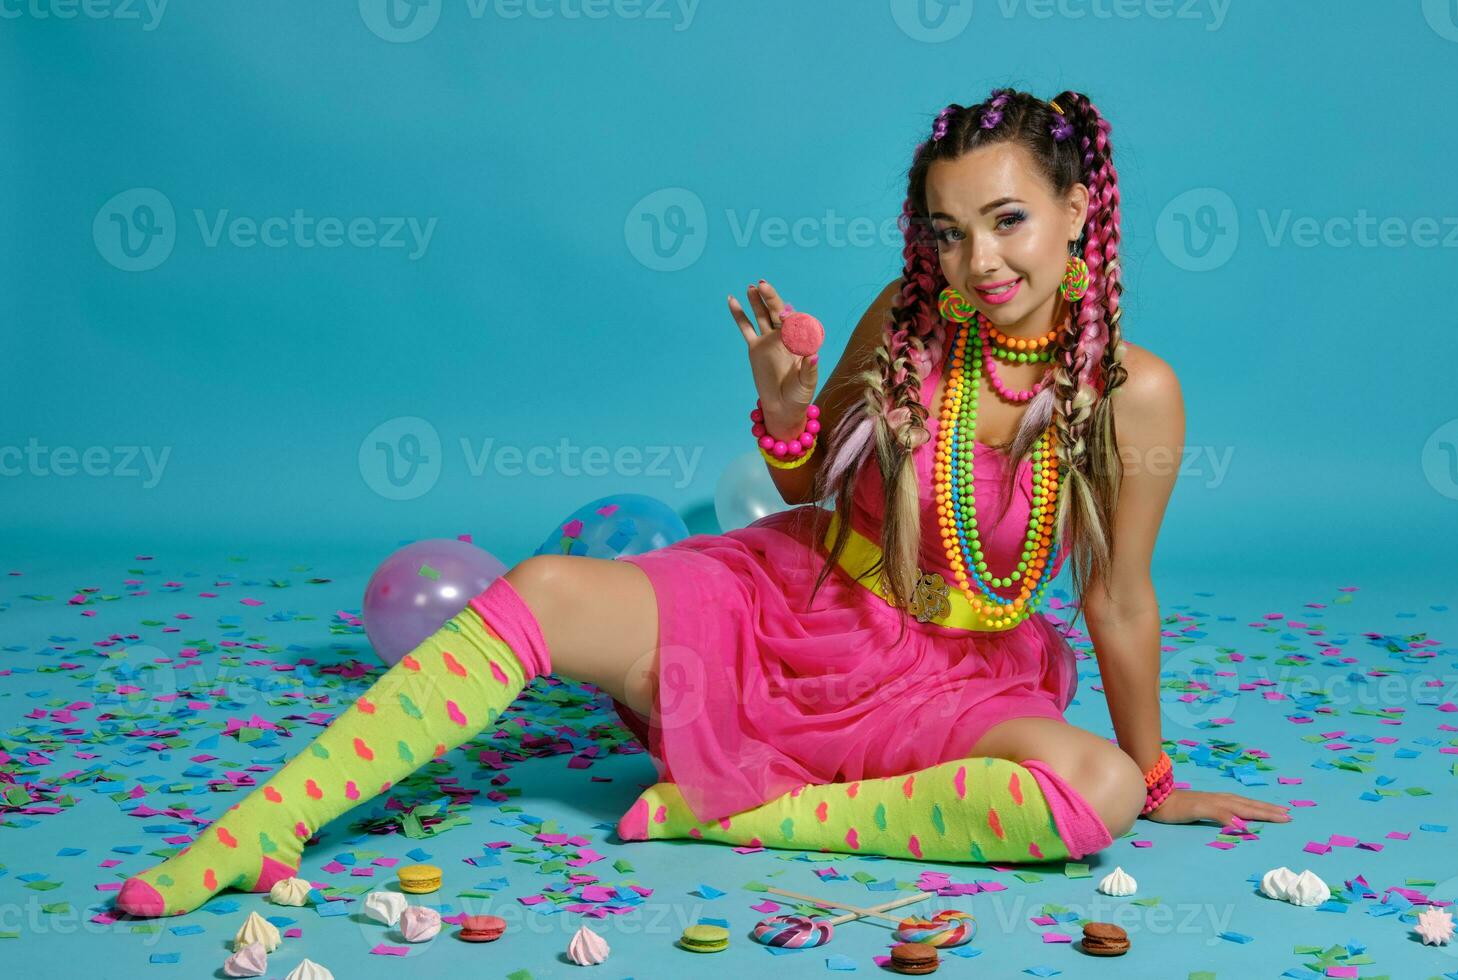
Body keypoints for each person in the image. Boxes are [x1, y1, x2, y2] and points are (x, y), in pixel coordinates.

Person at [114, 87, 1289, 918]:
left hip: (952, 684)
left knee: (1098, 791)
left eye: (1007, 219)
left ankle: (734, 813)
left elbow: (1118, 596)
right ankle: (263, 821)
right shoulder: (914, 317)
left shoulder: (1134, 394)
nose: (976, 259)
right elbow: (798, 476)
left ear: (1080, 206)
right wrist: (781, 400)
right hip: (800, 607)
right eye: (947, 230)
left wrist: (1157, 772)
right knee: (547, 588)